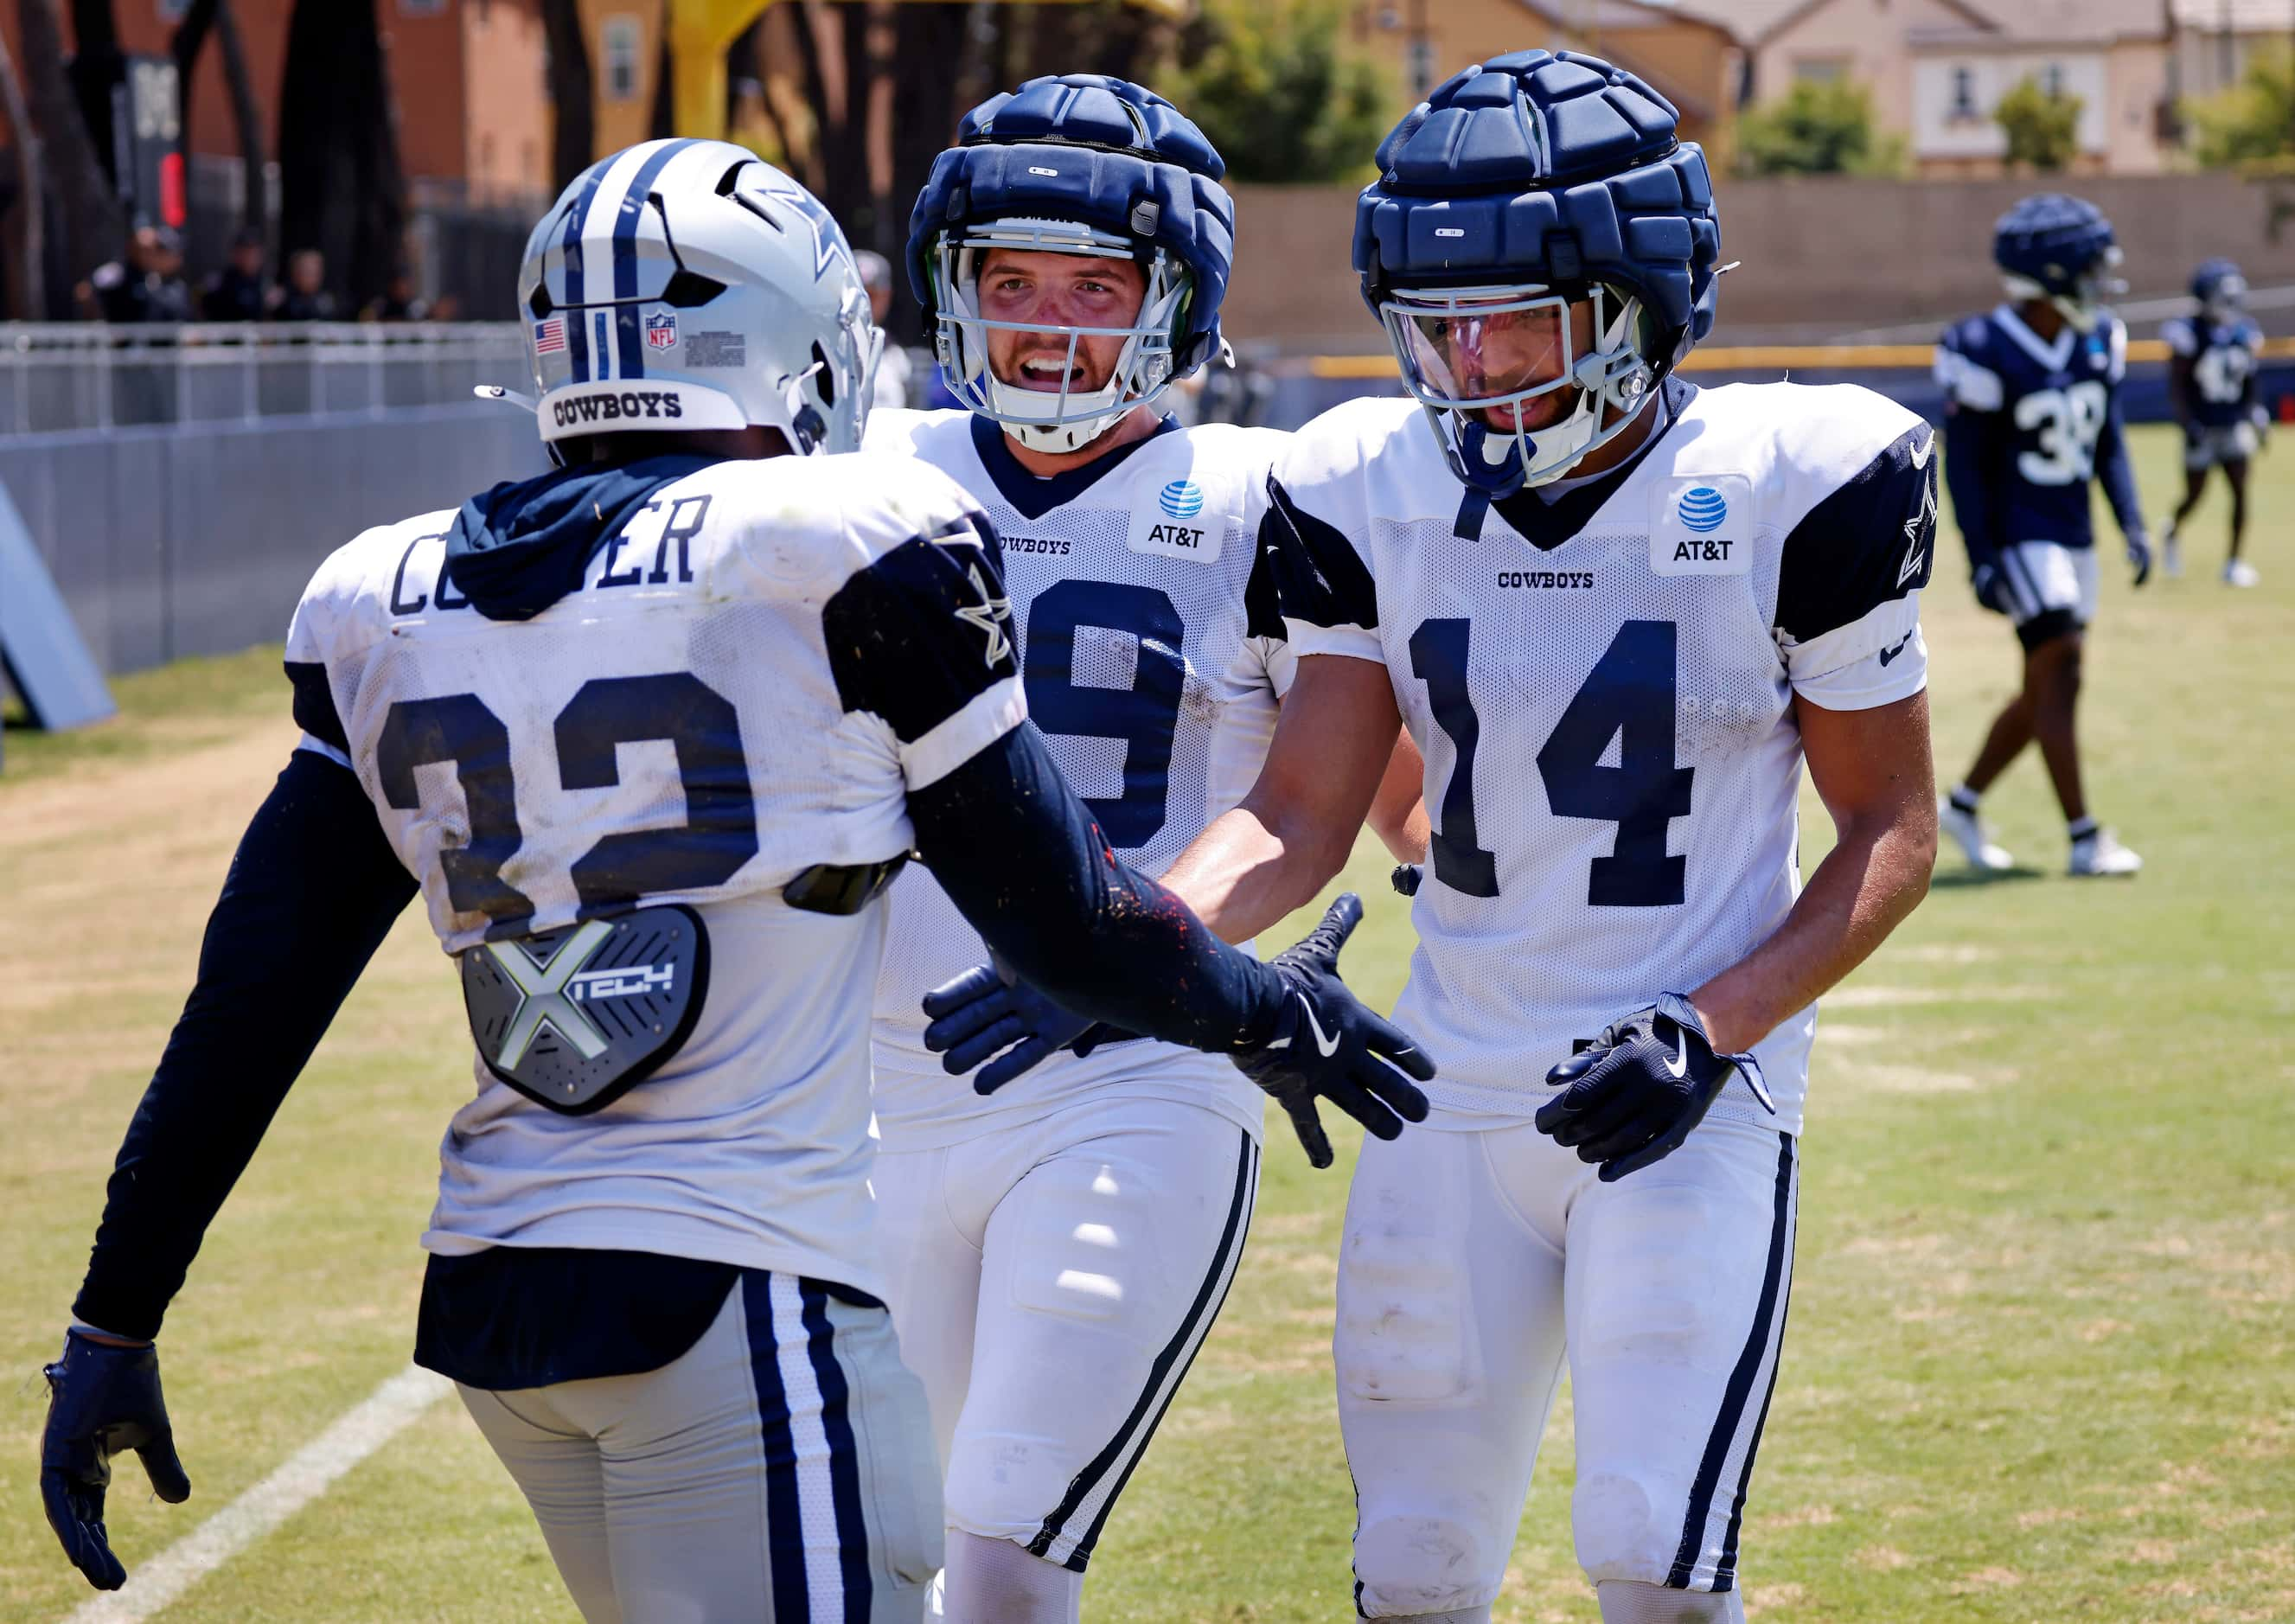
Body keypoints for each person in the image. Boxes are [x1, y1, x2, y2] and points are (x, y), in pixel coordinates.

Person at [37, 137, 1429, 1622]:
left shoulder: (381, 587)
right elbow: (1070, 922)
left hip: (499, 1288)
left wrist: (114, 1313)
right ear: (793, 336)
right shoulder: (838, 540)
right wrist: (1273, 1014)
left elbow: (250, 1000)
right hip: (740, 1285)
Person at [926, 51, 1941, 1623]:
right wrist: (1119, 940)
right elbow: (1290, 817)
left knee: (1649, 1552)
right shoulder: (1360, 481)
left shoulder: (1793, 481)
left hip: (1680, 1085)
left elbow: (1889, 824)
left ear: (1636, 296)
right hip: (1447, 1089)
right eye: (1436, 319)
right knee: (1409, 1570)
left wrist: (1709, 1026)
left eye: (1515, 317)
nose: (1468, 359)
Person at [864, 74, 1422, 1624]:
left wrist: (1113, 952)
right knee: (868, 1552)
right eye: (1009, 280)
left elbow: (1329, 805)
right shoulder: (863, 474)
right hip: (860, 1088)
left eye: (1092, 284)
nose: (1046, 322)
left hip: (1133, 1078)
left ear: (1173, 295)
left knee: (1000, 1552)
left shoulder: (1268, 496)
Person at [1934, 194, 2148, 878]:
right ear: (2054, 272)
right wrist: (1982, 559)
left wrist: (2132, 521)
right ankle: (2084, 837)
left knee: (2052, 685)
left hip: (2073, 534)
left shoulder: (2096, 339)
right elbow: (1963, 467)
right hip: (2023, 535)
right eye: (2089, 267)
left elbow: (2108, 440)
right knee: (2062, 666)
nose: (2100, 281)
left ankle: (1963, 805)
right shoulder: (1983, 347)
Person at [2161, 257, 2266, 587]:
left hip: (2233, 423)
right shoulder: (2189, 332)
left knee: (2239, 492)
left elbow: (2249, 381)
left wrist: (2256, 413)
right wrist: (2187, 423)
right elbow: (2178, 386)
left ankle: (2234, 563)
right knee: (2195, 496)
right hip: (2203, 427)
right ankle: (2172, 532)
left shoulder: (2244, 332)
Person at [82, 225, 195, 323]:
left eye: (153, 250)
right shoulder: (116, 272)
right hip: (127, 343)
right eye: (144, 250)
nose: (149, 254)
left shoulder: (161, 278)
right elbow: (85, 292)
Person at [857, 250, 913, 408]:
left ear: (886, 297)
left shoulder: (898, 358)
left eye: (872, 295)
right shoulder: (822, 350)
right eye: (860, 296)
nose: (865, 304)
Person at [200, 228, 271, 321]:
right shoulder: (220, 282)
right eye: (246, 253)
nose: (250, 258)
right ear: (235, 253)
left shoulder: (264, 283)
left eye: (254, 254)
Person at [271, 246, 336, 321]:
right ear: (295, 273)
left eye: (315, 272)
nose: (312, 277)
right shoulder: (282, 299)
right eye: (307, 272)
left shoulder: (325, 302)